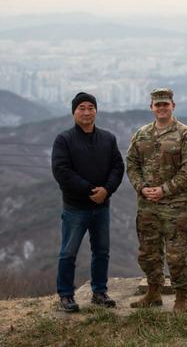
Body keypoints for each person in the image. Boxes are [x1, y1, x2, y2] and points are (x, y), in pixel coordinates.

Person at [126, 88, 187, 313]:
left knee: (176, 253)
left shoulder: (186, 135)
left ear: (173, 106)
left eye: (165, 104)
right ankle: (153, 292)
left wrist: (165, 190)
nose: (161, 108)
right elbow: (131, 163)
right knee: (148, 252)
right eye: (157, 104)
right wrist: (141, 187)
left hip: (174, 205)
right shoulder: (141, 135)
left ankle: (181, 298)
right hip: (147, 204)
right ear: (151, 107)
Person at [51, 92, 124, 312]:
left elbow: (118, 167)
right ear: (74, 112)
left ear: (96, 111)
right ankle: (65, 295)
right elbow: (61, 171)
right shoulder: (64, 139)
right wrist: (91, 190)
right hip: (76, 208)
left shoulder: (108, 138)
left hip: (102, 207)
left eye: (90, 107)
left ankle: (99, 292)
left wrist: (107, 190)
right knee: (68, 252)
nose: (86, 111)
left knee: (102, 251)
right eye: (81, 107)